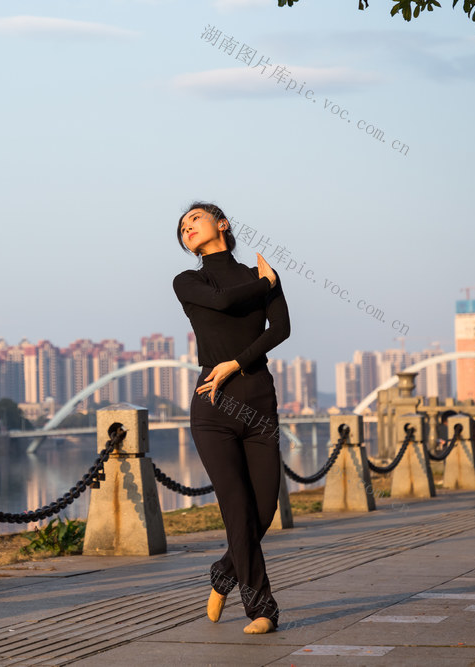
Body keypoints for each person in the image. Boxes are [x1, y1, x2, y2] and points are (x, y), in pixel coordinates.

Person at [172, 202, 291, 634]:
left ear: (221, 224)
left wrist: (236, 363)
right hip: (213, 406)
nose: (187, 227)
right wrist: (266, 283)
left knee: (264, 508)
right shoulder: (188, 280)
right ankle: (262, 608)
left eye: (195, 219)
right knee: (237, 510)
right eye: (182, 227)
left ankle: (224, 572)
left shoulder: (258, 274)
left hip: (258, 399)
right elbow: (221, 301)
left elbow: (280, 329)